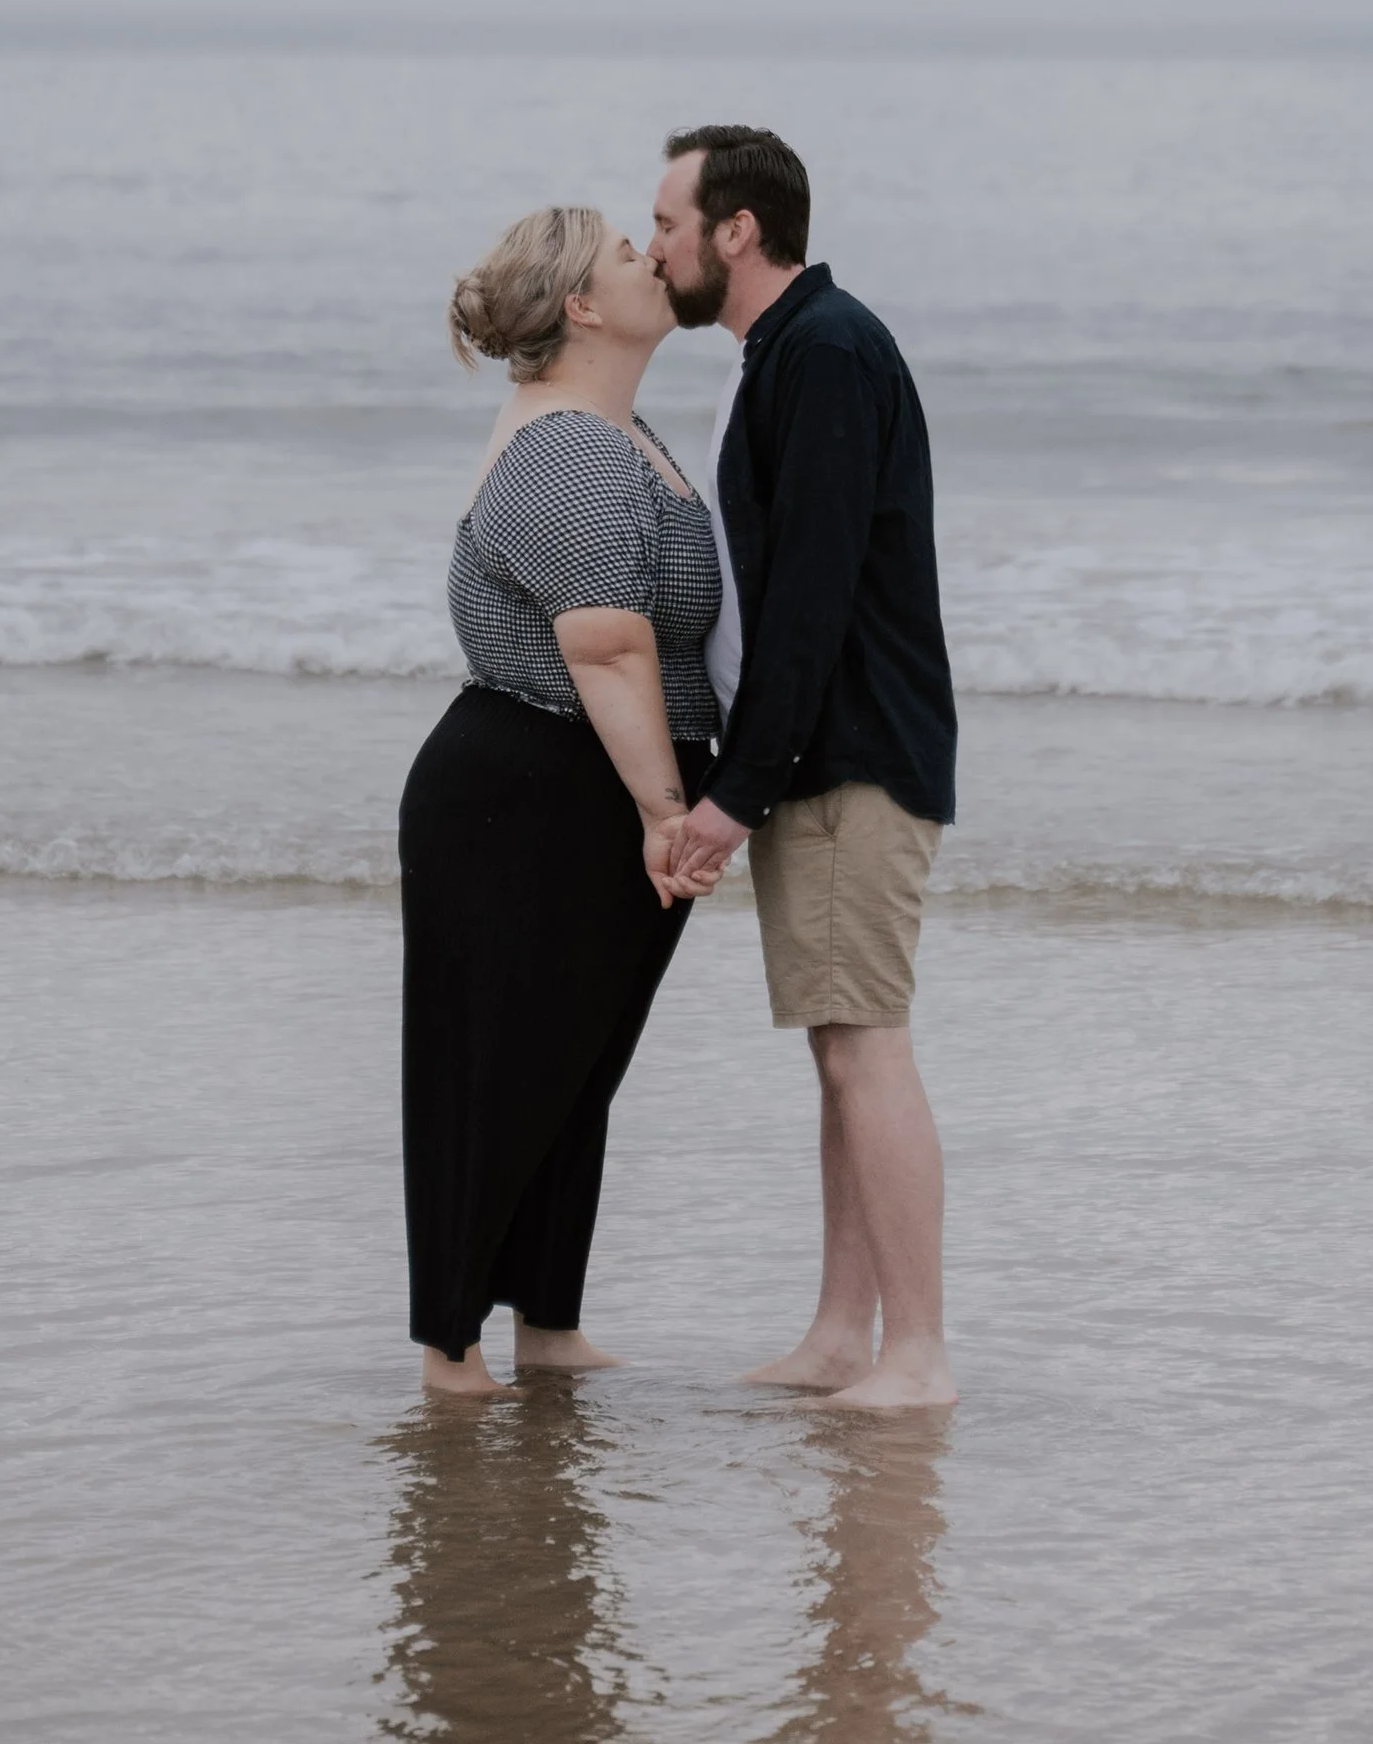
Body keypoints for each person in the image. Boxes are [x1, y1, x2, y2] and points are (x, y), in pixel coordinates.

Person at [649, 127, 959, 1410]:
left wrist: (731, 794)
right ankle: (844, 1334)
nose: (653, 241)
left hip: (848, 757)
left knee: (866, 1048)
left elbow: (815, 597)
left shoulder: (824, 352)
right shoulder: (783, 350)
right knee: (837, 1047)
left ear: (735, 229)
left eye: (667, 217)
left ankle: (917, 1353)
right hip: (817, 758)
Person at [401, 203, 722, 1398]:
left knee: (575, 1066)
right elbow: (606, 649)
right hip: (529, 787)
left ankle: (546, 1321)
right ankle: (451, 1347)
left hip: (582, 780)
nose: (652, 257)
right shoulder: (567, 448)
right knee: (496, 1070)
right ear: (582, 306)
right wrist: (661, 810)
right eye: (626, 254)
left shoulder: (618, 427)